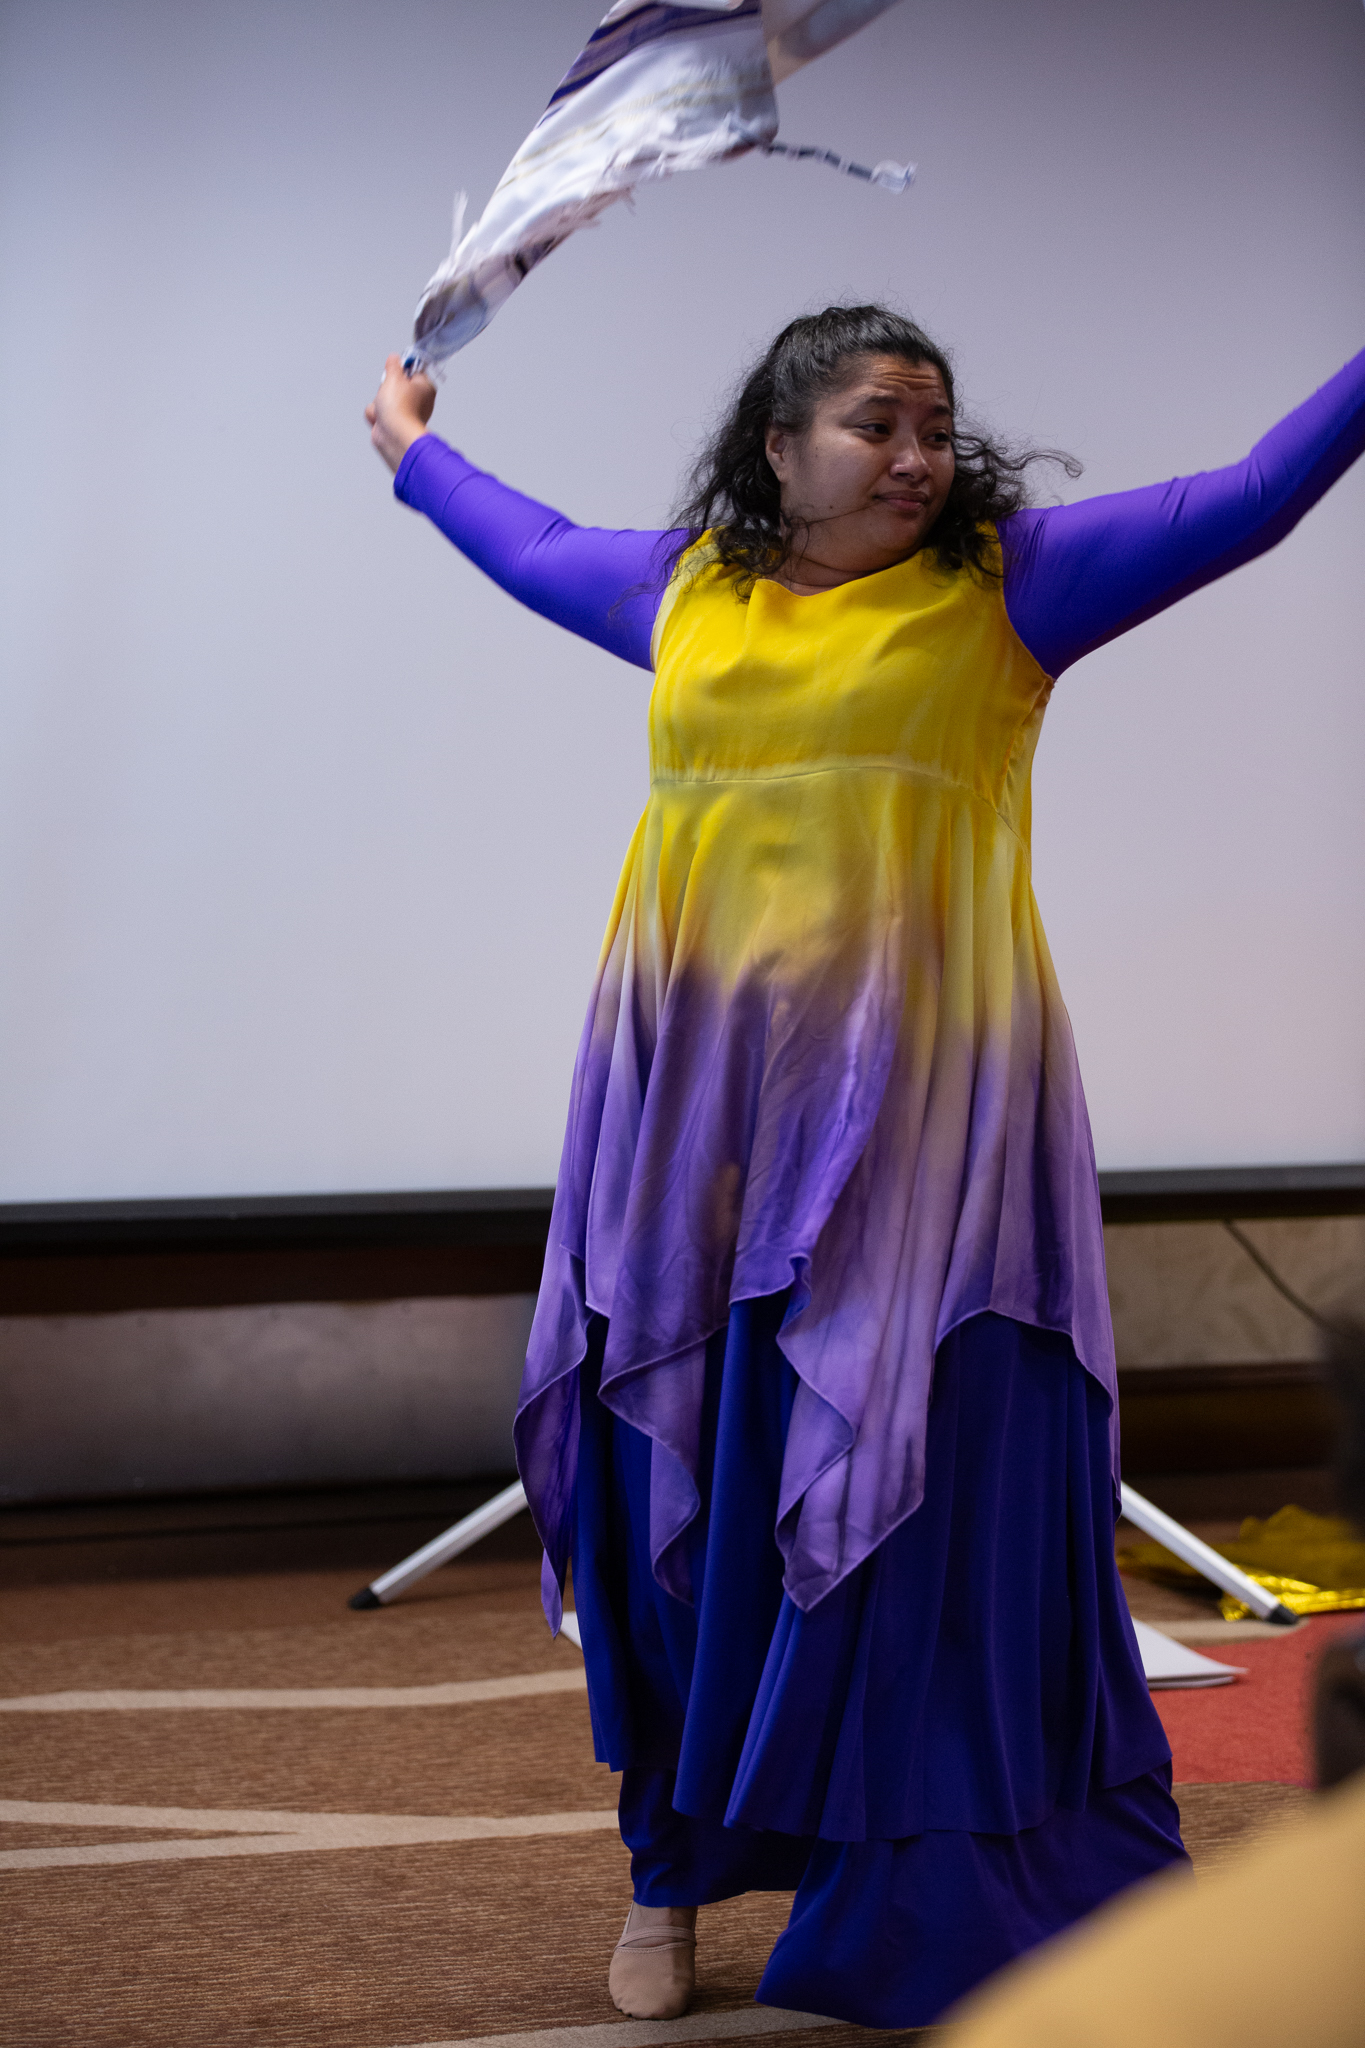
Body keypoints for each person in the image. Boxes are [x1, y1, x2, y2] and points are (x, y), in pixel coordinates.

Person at [366, 309, 1365, 2028]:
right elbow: (519, 540)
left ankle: (928, 1901)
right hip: (694, 1142)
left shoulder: (1009, 586)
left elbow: (1258, 492)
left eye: (933, 427)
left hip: (926, 1149)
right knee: (680, 1508)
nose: (915, 457)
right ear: (778, 447)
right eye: (874, 424)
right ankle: (669, 1879)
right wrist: (409, 447)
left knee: (915, 1513)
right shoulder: (684, 592)